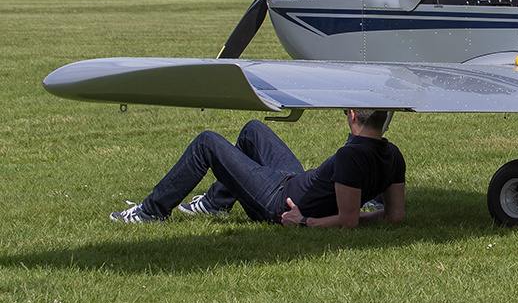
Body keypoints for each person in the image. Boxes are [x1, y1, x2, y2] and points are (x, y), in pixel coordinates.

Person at [109, 109, 406, 228]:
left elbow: (349, 220)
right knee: (253, 130)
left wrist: (303, 222)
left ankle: (151, 211)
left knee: (207, 143)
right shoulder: (393, 154)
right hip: (292, 180)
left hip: (275, 200)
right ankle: (215, 204)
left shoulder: (349, 157)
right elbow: (394, 215)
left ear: (352, 115)